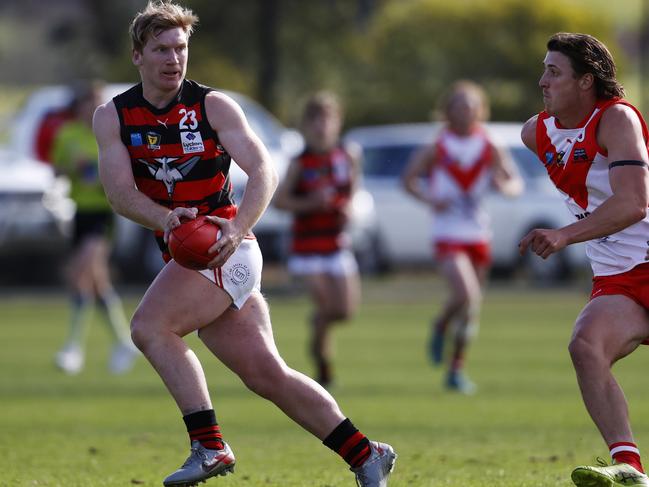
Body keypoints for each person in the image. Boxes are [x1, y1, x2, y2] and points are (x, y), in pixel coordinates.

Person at [92, 2, 396, 486]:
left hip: (227, 246)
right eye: (162, 49)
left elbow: (264, 170)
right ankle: (366, 453)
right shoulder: (114, 116)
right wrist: (164, 217)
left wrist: (236, 228)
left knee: (150, 328)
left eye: (181, 48)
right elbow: (119, 194)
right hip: (187, 251)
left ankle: (209, 446)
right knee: (267, 375)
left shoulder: (212, 105)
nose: (174, 59)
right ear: (137, 55)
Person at [519, 32, 649, 487]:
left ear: (586, 82)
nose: (542, 81)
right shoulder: (536, 133)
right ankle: (630, 468)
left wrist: (564, 235)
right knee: (585, 346)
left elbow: (634, 202)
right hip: (619, 278)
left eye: (554, 72)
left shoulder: (616, 119)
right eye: (544, 70)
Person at [402, 80, 523, 394]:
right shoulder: (437, 145)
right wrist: (431, 199)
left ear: (479, 109)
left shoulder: (488, 143)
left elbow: (514, 183)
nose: (465, 111)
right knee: (465, 294)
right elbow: (409, 181)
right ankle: (441, 323)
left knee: (471, 309)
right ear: (448, 110)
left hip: (478, 231)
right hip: (447, 231)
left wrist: (503, 186)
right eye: (458, 105)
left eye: (471, 105)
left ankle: (456, 370)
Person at [273, 91, 361, 388]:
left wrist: (348, 209)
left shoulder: (347, 156)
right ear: (306, 126)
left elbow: (351, 193)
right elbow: (280, 202)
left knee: (344, 312)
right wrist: (311, 203)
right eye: (315, 120)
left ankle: (318, 327)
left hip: (336, 243)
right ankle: (323, 367)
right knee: (326, 306)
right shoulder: (300, 162)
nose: (322, 126)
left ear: (338, 123)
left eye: (328, 119)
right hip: (307, 247)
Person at [52, 80, 137, 375]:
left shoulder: (112, 133)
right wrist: (73, 168)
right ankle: (123, 342)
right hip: (79, 212)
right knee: (97, 282)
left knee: (80, 273)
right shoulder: (68, 134)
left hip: (104, 213)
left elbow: (126, 175)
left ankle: (73, 347)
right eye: (91, 103)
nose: (95, 108)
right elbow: (57, 170)